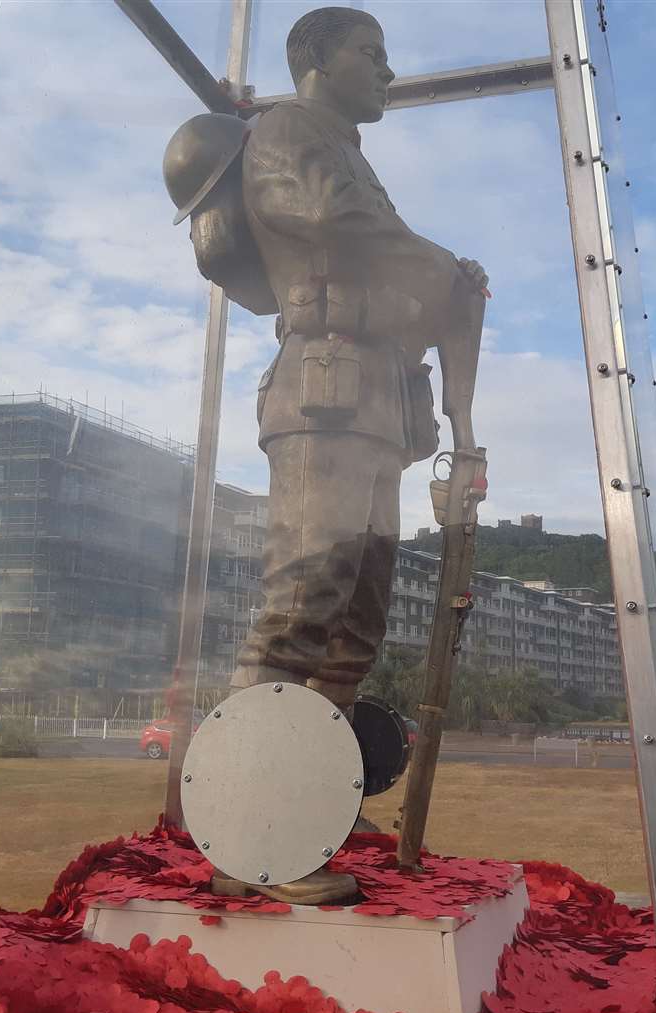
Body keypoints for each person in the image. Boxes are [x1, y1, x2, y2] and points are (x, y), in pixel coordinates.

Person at [229, 7, 489, 715]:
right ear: (317, 61)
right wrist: (442, 271)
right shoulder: (288, 129)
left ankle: (315, 790)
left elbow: (382, 250)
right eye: (369, 54)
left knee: (360, 612)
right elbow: (332, 218)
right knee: (306, 594)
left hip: (373, 401)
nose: (387, 71)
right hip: (323, 392)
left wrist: (445, 289)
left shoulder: (347, 150)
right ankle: (251, 792)